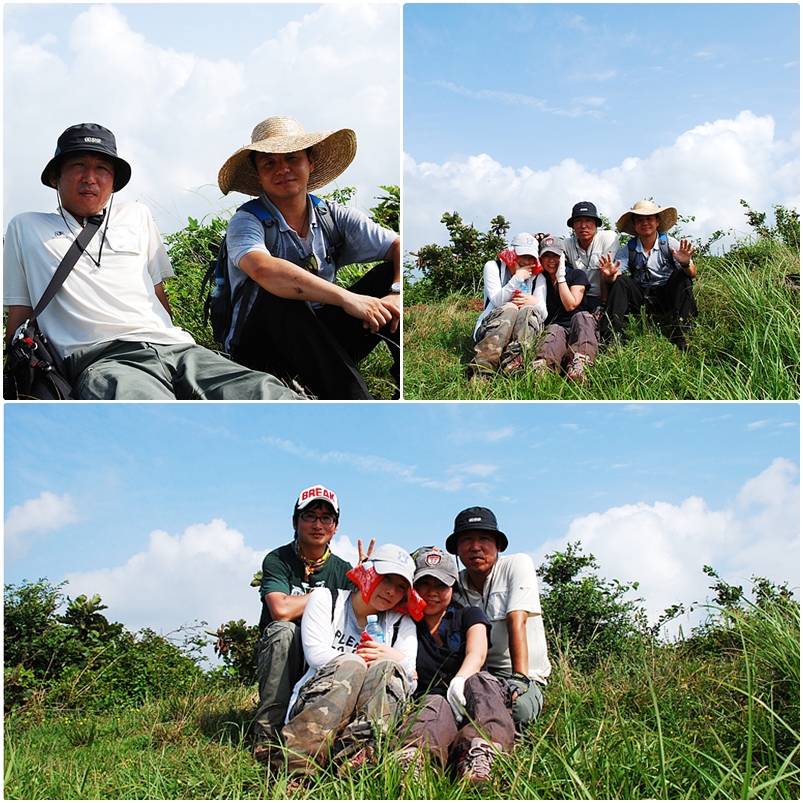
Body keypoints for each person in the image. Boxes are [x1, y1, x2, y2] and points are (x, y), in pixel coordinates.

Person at [3, 123, 298, 400]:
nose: (90, 178)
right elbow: (20, 313)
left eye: (102, 169)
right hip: (104, 359)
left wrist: (175, 337)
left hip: (178, 349)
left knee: (267, 392)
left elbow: (158, 294)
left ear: (114, 181)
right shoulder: (25, 227)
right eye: (78, 166)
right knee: (146, 415)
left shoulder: (137, 216)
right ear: (56, 176)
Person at [217, 116, 401, 400]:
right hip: (263, 347)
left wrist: (396, 292)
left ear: (310, 163)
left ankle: (401, 375)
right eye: (269, 163)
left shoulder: (332, 215)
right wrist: (347, 298)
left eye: (292, 158)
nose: (283, 169)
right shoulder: (246, 221)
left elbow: (397, 246)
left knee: (388, 276)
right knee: (277, 294)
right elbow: (263, 268)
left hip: (322, 336)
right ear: (257, 173)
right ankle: (354, 400)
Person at [276, 543, 420, 779]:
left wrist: (394, 658)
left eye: (401, 586)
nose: (391, 591)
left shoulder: (400, 624)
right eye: (386, 579)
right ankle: (298, 767)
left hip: (369, 720)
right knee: (351, 664)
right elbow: (315, 654)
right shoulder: (327, 600)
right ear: (369, 573)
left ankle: (360, 760)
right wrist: (365, 659)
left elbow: (410, 681)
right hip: (320, 710)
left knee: (388, 668)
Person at [252, 484, 361, 760]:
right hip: (284, 654)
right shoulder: (278, 560)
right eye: (310, 516)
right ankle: (267, 734)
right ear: (295, 521)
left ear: (335, 527)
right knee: (283, 631)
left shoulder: (343, 570)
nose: (318, 524)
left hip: (321, 653)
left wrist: (366, 583)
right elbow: (281, 610)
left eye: (326, 518)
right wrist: (326, 596)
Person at [395, 547, 515, 786]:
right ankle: (414, 761)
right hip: (436, 702)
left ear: (452, 588)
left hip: (474, 694)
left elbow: (477, 653)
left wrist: (459, 680)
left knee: (481, 682)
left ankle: (482, 753)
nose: (431, 593)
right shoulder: (403, 624)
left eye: (440, 585)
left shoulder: (468, 615)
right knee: (433, 703)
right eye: (424, 584)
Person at [446, 507, 551, 729]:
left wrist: (520, 678)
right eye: (466, 540)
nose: (475, 547)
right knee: (450, 708)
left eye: (484, 539)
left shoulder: (517, 565)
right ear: (456, 549)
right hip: (479, 672)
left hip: (521, 672)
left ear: (498, 545)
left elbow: (517, 620)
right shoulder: (453, 584)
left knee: (518, 711)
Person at [598, 199, 698, 348]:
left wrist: (685, 263)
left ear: (657, 222)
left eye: (649, 219)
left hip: (667, 295)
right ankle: (613, 336)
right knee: (620, 281)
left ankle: (683, 333)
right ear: (635, 225)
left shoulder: (670, 244)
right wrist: (610, 275)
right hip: (641, 297)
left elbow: (692, 273)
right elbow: (615, 275)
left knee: (682, 276)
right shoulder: (628, 249)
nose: (645, 223)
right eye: (640, 220)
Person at [470, 232, 547, 377]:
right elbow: (497, 301)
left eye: (531, 257)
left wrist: (534, 302)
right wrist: (517, 278)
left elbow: (544, 313)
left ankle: (515, 364)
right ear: (512, 253)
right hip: (492, 330)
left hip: (522, 332)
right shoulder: (493, 267)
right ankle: (483, 370)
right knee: (510, 307)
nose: (526, 261)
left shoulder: (538, 277)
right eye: (522, 255)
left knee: (529, 308)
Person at [531, 236, 598, 383]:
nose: (551, 260)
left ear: (563, 257)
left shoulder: (576, 275)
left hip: (579, 324)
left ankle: (580, 364)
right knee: (554, 330)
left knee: (582, 317)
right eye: (546, 256)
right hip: (558, 326)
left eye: (556, 256)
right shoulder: (539, 280)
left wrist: (560, 277)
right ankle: (543, 368)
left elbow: (571, 305)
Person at [562, 201, 619, 312]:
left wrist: (603, 305)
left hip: (603, 294)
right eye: (578, 221)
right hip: (578, 297)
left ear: (596, 224)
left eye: (588, 220)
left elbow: (605, 271)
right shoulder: (566, 244)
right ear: (573, 225)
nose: (583, 226)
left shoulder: (608, 237)